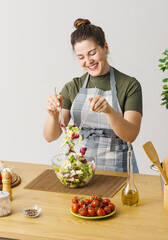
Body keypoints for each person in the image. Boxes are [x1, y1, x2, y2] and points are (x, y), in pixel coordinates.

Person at [43, 18, 143, 173]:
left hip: (120, 171)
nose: (88, 61)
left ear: (105, 47)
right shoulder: (72, 87)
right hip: (82, 171)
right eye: (81, 57)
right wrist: (53, 115)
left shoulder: (129, 85)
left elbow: (130, 135)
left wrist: (109, 111)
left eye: (92, 53)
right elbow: (50, 136)